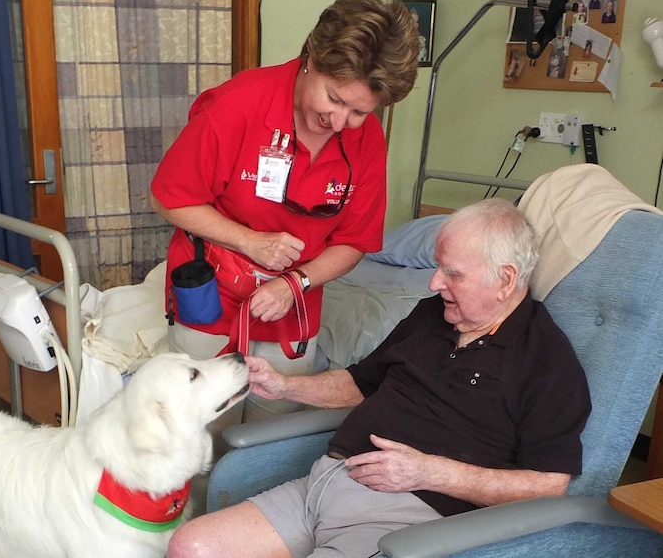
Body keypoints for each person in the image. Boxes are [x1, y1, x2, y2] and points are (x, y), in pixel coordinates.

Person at [167, 198, 592, 558]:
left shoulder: (546, 362)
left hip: (402, 516)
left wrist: (428, 473)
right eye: (438, 266)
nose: (434, 282)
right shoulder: (432, 315)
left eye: (453, 274)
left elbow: (548, 486)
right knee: (192, 545)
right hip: (323, 484)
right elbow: (359, 383)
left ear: (506, 279)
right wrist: (285, 385)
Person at [150, 0, 420, 422]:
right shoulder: (239, 104)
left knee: (268, 438)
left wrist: (294, 283)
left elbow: (354, 241)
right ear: (311, 57)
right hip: (210, 295)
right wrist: (250, 242)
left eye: (359, 112)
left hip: (292, 307)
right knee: (194, 436)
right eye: (334, 99)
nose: (339, 123)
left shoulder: (365, 139)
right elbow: (168, 197)